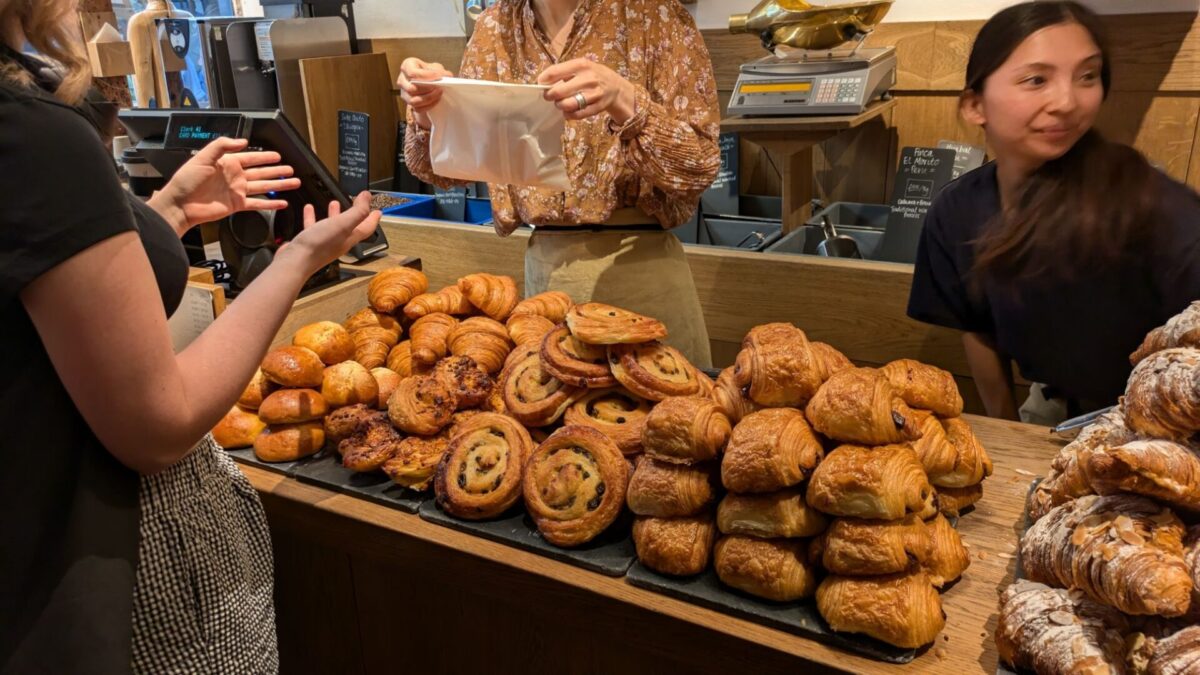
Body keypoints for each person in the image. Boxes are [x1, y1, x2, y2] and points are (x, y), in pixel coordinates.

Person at [0, 1, 381, 672]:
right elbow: (160, 423)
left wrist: (165, 213)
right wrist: (299, 259)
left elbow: (48, 288)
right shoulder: (32, 136)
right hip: (114, 586)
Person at [906, 1, 1200, 426]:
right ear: (976, 105)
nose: (1067, 101)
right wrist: (1006, 427)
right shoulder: (956, 212)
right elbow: (976, 327)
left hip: (1163, 416)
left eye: (1087, 76)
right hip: (1052, 412)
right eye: (1036, 80)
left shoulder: (1144, 200)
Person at [397, 0, 721, 367]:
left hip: (640, 274)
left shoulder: (655, 15)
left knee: (662, 417)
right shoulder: (493, 28)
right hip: (544, 279)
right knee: (552, 419)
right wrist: (430, 114)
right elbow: (445, 172)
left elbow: (699, 168)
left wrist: (625, 100)